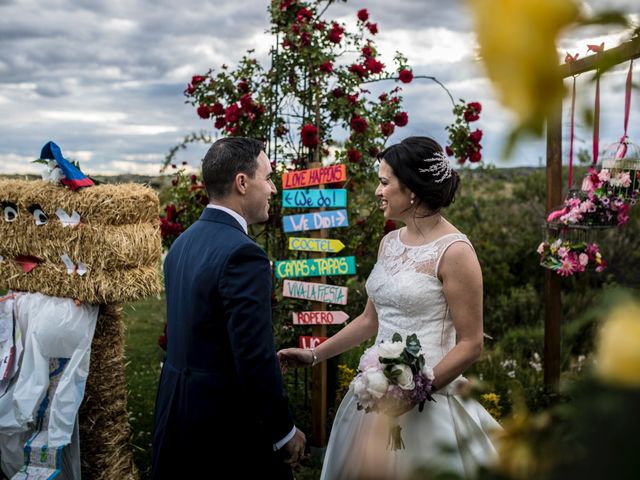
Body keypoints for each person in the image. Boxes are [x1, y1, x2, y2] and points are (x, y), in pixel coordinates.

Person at [278, 136, 501, 479]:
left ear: (411, 189)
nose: (378, 191)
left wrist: (413, 394)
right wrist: (313, 355)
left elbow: (471, 343)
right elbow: (369, 320)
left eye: (384, 182)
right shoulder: (389, 242)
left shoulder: (455, 252)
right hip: (373, 396)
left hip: (431, 403)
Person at [152, 137, 305, 479]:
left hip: (177, 414)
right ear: (241, 182)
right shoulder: (243, 255)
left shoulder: (183, 242)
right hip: (223, 427)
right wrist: (283, 432)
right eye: (268, 178)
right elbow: (253, 357)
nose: (273, 189)